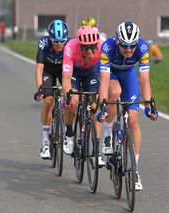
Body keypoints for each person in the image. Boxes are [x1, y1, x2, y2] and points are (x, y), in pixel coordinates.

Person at [97, 21, 158, 191]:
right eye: (125, 46)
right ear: (117, 41)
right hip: (111, 74)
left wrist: (148, 105)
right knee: (114, 92)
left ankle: (135, 169)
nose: (129, 49)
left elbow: (144, 80)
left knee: (133, 120)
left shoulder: (143, 48)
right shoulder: (108, 47)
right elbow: (104, 80)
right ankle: (108, 134)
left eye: (132, 46)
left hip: (129, 75)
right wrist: (103, 105)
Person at [62, 25, 105, 165]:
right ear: (79, 45)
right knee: (73, 101)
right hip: (74, 72)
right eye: (86, 48)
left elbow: (105, 76)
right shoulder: (71, 46)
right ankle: (69, 133)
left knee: (95, 106)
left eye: (93, 47)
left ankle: (96, 152)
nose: (90, 51)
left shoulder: (103, 47)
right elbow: (66, 77)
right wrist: (68, 95)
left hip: (91, 73)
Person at [34, 20, 71, 159]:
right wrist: (40, 89)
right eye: (56, 42)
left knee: (71, 98)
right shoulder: (43, 43)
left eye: (62, 41)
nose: (59, 45)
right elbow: (39, 69)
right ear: (50, 38)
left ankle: (68, 132)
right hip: (48, 71)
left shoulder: (70, 43)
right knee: (49, 100)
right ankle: (45, 142)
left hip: (64, 71)